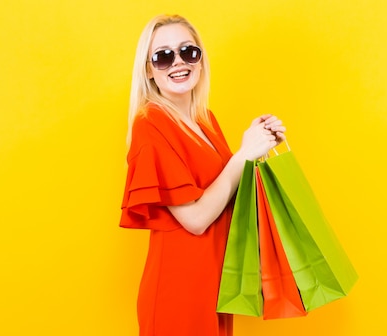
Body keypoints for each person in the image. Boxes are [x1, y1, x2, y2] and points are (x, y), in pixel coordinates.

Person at [119, 14, 286, 336]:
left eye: (188, 51)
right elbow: (195, 219)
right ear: (148, 70)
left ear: (200, 58)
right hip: (179, 286)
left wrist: (257, 148)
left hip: (215, 281)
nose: (178, 62)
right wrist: (242, 156)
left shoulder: (205, 119)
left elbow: (226, 197)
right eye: (163, 56)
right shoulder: (150, 124)